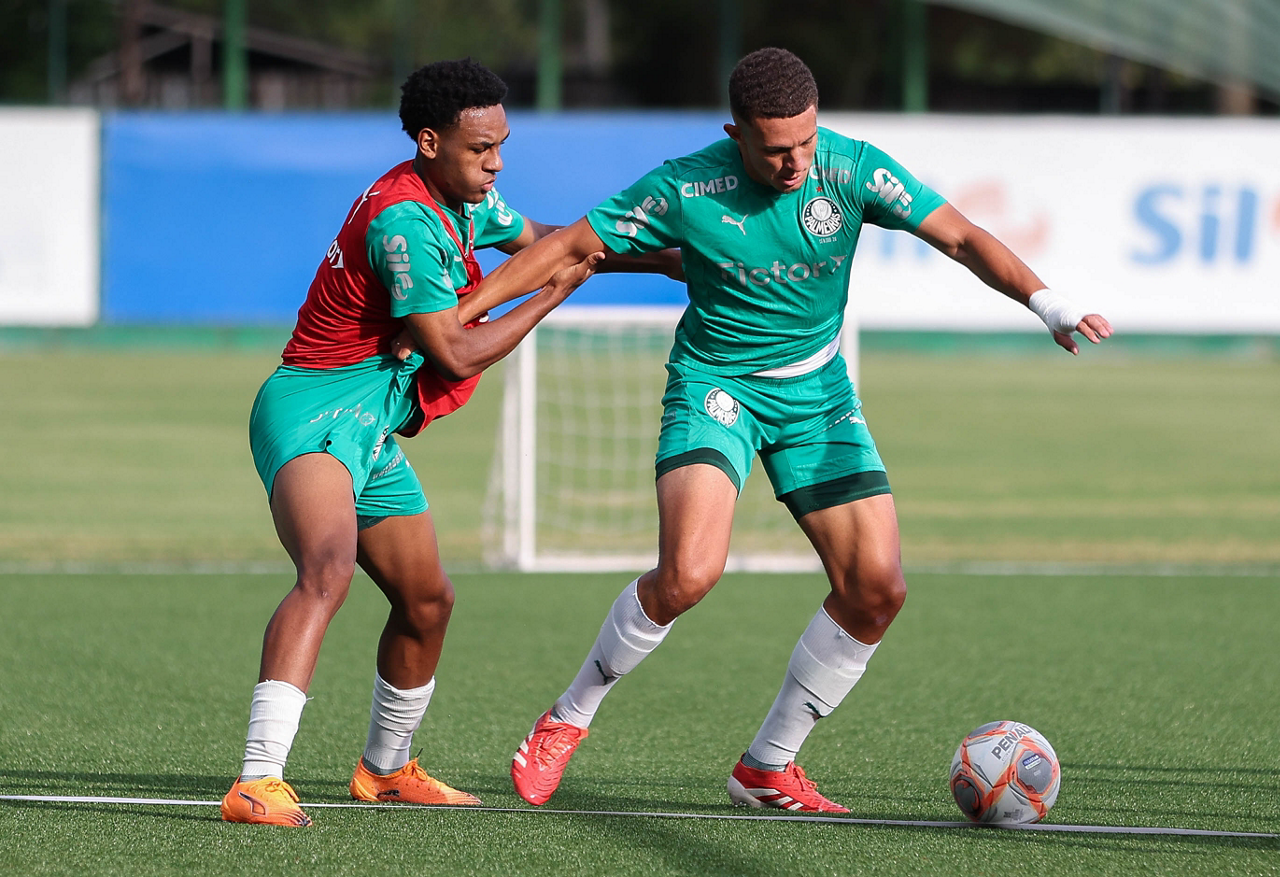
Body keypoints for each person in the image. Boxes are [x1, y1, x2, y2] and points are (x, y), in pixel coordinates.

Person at [463, 47, 1113, 813]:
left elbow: (963, 237)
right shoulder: (686, 184)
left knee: (876, 588)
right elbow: (572, 246)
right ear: (736, 133)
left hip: (818, 397)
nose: (796, 161)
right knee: (689, 574)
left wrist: (1048, 302)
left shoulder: (852, 168)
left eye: (806, 141)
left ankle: (767, 764)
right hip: (717, 390)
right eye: (776, 148)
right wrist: (463, 315)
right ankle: (567, 718)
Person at [219, 58, 660, 827]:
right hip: (312, 411)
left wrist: (676, 262)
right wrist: (556, 293)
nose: (495, 163)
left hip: (370, 426)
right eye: (478, 148)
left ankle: (384, 770)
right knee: (326, 571)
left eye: (501, 145)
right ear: (429, 141)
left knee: (427, 600)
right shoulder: (404, 221)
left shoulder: (464, 200)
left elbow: (550, 240)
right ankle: (257, 778)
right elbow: (456, 351)